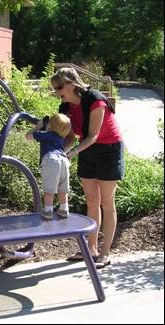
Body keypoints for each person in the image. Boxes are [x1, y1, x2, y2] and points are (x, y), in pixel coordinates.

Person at [50, 67, 124, 269]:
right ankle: (91, 249)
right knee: (92, 200)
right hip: (87, 149)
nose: (57, 91)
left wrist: (72, 153)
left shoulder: (95, 100)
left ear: (72, 84)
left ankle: (105, 253)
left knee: (107, 202)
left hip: (108, 149)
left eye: (60, 87)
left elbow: (94, 136)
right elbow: (70, 137)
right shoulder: (65, 106)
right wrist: (58, 152)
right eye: (55, 88)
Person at [26, 113, 72, 220]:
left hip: (51, 160)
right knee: (62, 189)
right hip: (64, 160)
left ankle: (48, 211)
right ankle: (64, 209)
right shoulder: (61, 138)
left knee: (49, 189)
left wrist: (38, 126)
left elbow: (28, 136)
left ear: (50, 126)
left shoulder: (46, 134)